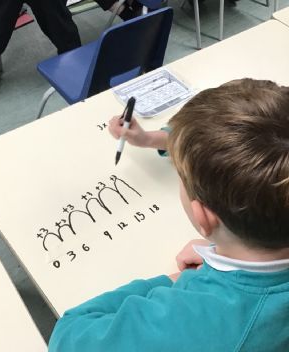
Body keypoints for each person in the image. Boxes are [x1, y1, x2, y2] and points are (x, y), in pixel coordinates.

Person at [48, 78, 289, 351]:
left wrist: (176, 281)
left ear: (203, 217)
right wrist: (228, 247)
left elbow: (68, 336)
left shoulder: (193, 324)